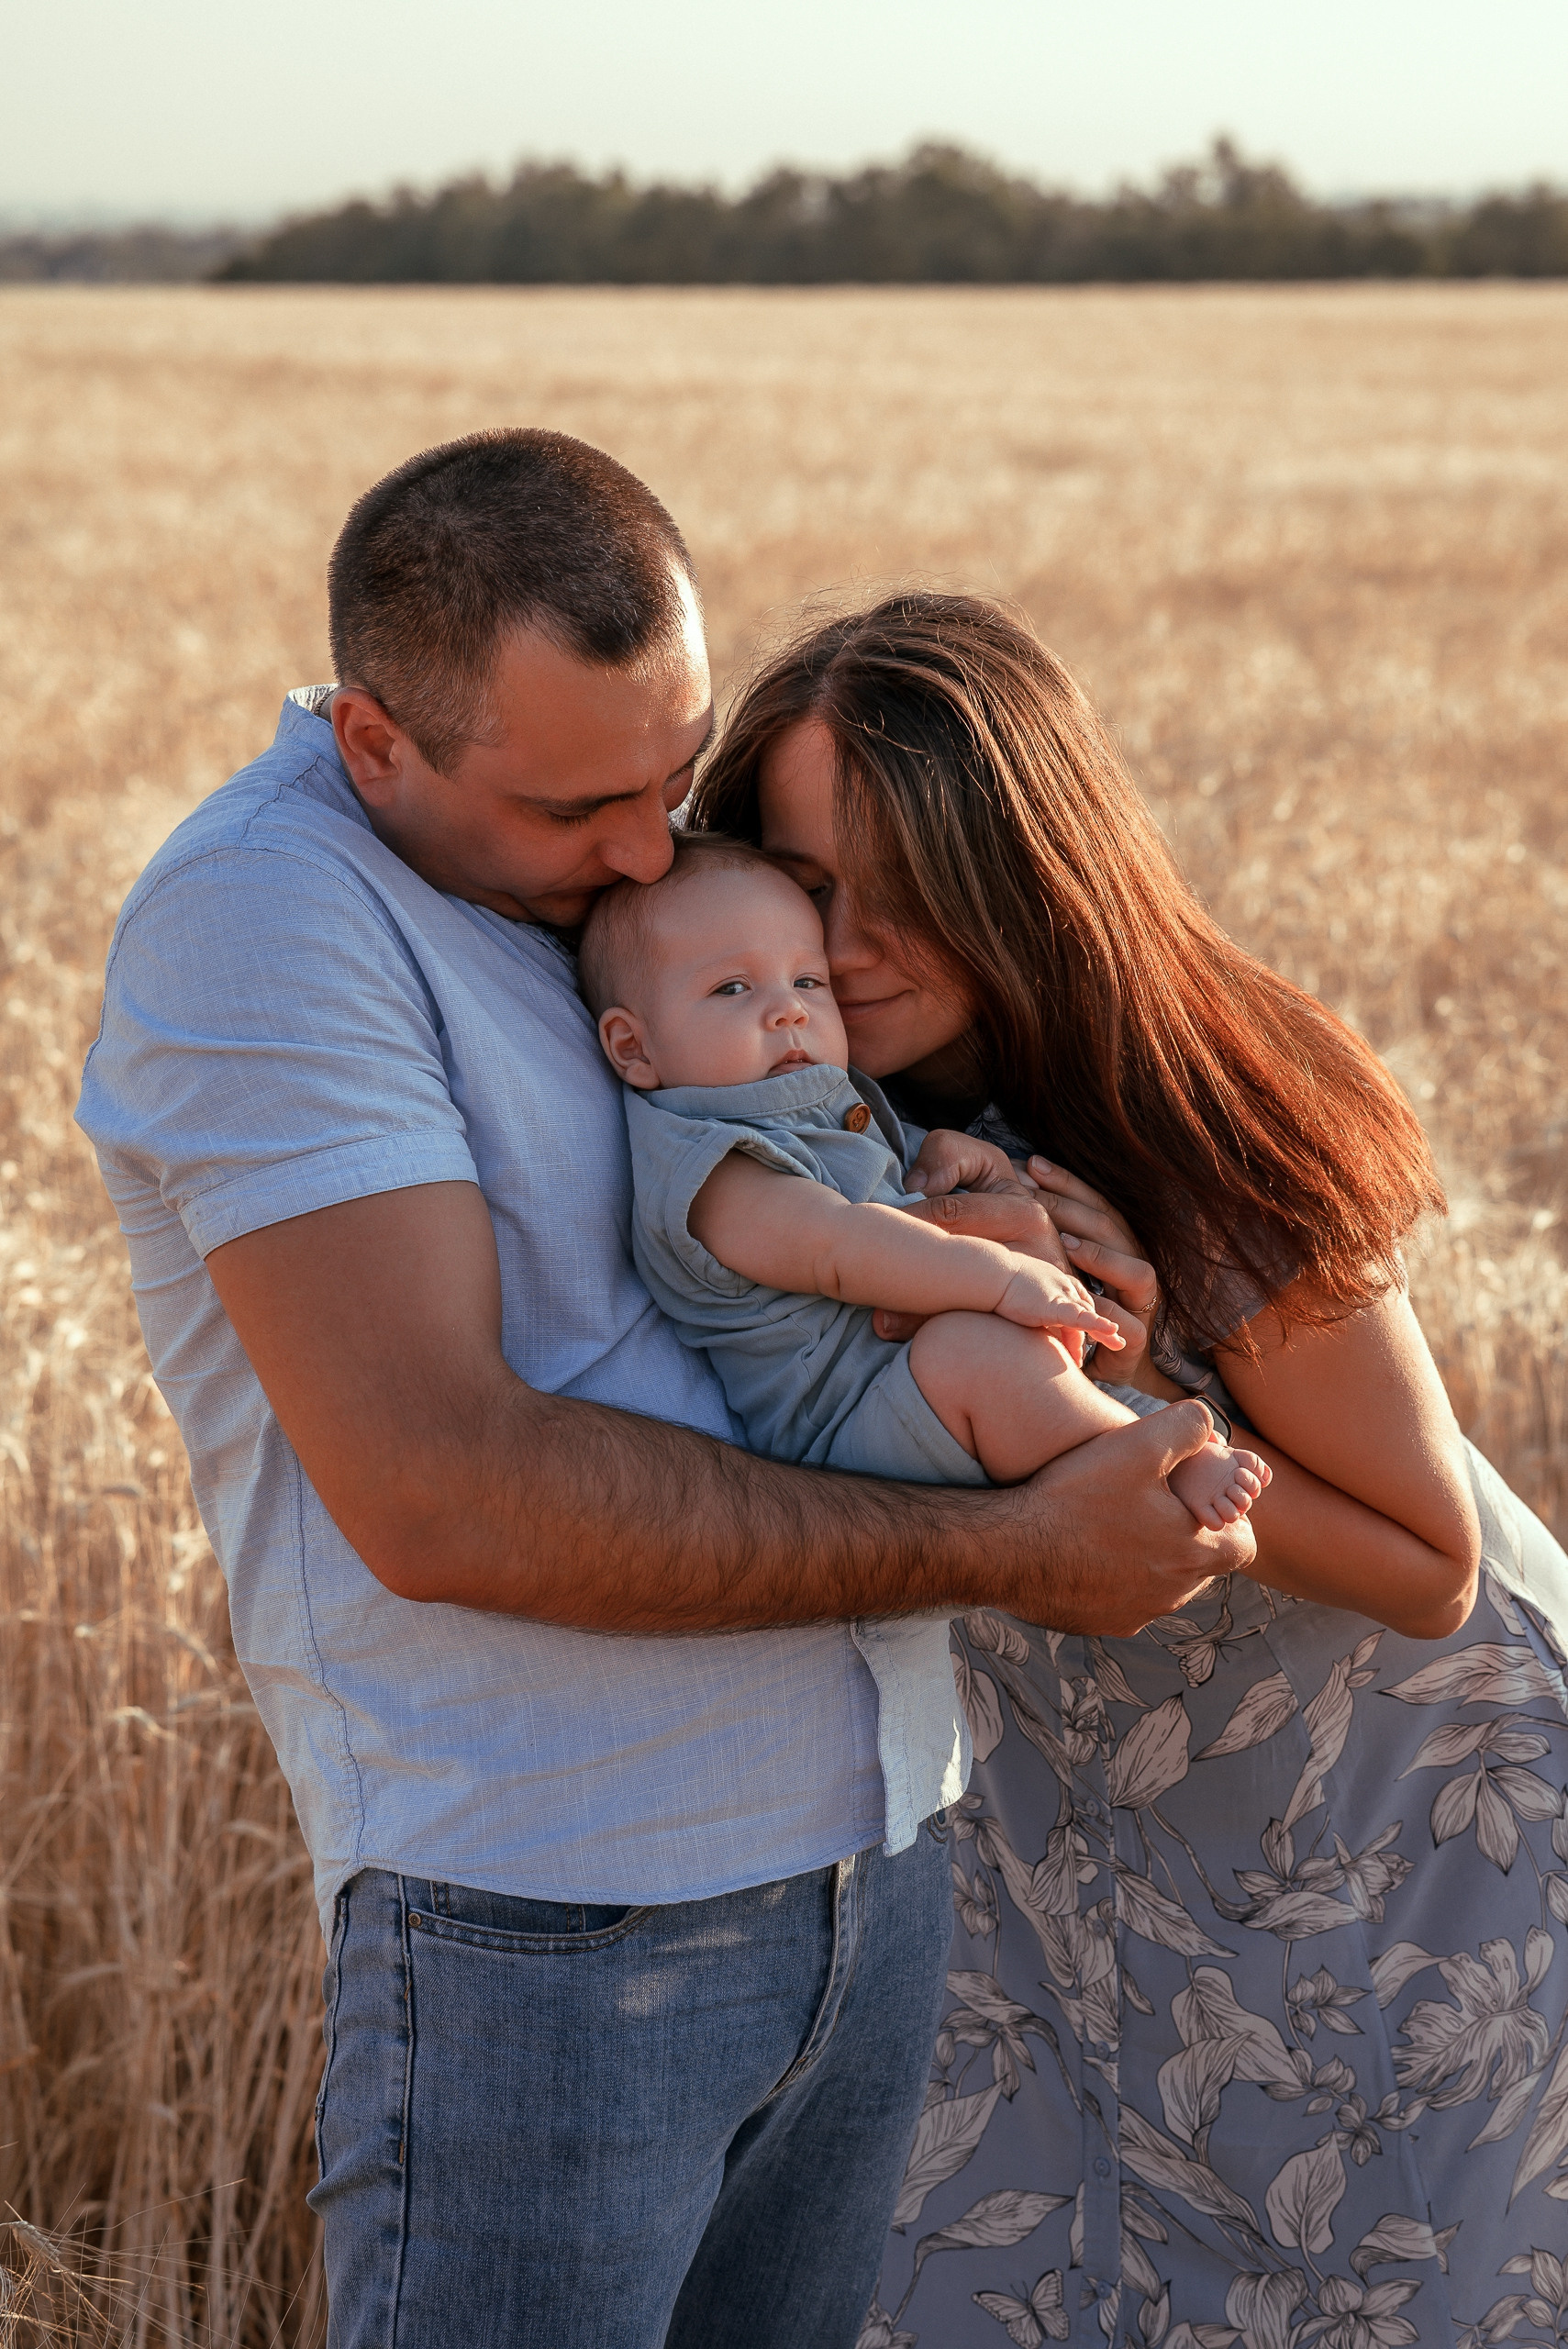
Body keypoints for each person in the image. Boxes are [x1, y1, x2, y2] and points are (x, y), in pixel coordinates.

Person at [73, 437, 1252, 2349]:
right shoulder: (269, 923)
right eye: (576, 806)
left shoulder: (592, 874)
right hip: (553, 1925)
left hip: (869, 1862)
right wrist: (1013, 1541)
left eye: (672, 768)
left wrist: (966, 1193)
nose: (649, 850)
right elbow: (444, 1489)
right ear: (376, 743)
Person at [690, 590, 1568, 2349]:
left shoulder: (1198, 1112)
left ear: (1016, 866)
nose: (847, 945)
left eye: (907, 886)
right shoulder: (789, 1135)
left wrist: (1152, 1386)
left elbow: (1424, 1567)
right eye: (805, 884)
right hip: (1070, 1903)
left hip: (1411, 1882)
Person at [581, 831, 1269, 1533]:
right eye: (733, 987)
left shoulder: (809, 1099)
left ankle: (1150, 1435)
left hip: (911, 1383)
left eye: (807, 981)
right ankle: (1140, 1460)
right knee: (968, 1352)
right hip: (845, 1437)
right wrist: (999, 1281)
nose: (788, 1010)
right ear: (632, 1048)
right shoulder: (709, 1169)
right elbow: (838, 1245)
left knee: (991, 1352)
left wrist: (953, 1160)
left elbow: (892, 1184)